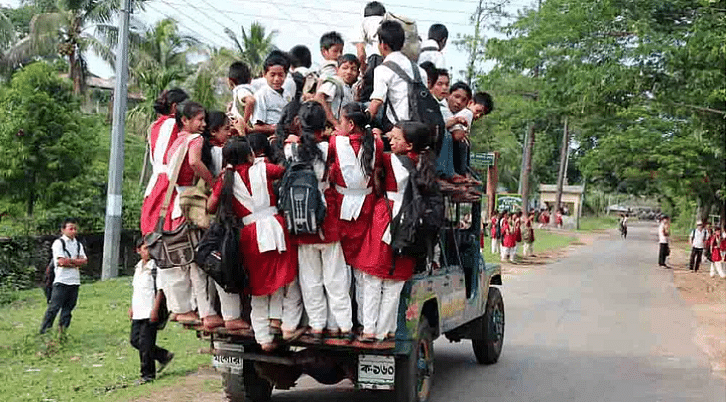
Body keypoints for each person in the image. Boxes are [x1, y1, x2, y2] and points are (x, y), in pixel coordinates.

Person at [208, 136, 300, 351]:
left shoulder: (226, 179)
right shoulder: (263, 169)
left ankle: (263, 337)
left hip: (250, 234)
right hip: (276, 227)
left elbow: (211, 206)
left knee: (257, 286)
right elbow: (283, 171)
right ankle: (277, 319)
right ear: (250, 154)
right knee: (281, 278)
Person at [355, 121, 434, 342]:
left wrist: (377, 136)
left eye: (396, 138)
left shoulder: (391, 160)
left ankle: (369, 329)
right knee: (394, 282)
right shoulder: (425, 163)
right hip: (412, 221)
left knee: (372, 277)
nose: (392, 139)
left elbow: (374, 152)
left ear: (409, 145)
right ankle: (386, 330)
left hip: (388, 216)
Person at [284, 102, 354, 342]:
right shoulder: (329, 148)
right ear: (322, 124)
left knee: (310, 279)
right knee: (335, 277)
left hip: (301, 217)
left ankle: (316, 325)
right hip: (326, 216)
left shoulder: (291, 149)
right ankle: (341, 326)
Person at [156, 101, 222, 329]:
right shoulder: (195, 140)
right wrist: (214, 183)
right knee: (198, 260)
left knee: (182, 259)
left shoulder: (176, 143)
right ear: (185, 120)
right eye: (199, 119)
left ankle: (183, 309)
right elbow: (194, 162)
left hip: (176, 203)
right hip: (191, 202)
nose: (203, 124)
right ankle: (206, 312)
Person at [140, 88, 189, 235]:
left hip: (156, 183)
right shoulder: (176, 124)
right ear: (175, 107)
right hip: (170, 182)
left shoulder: (154, 126)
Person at [367, 20, 429, 133]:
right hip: (421, 130)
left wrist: (361, 124)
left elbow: (376, 103)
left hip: (397, 130)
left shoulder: (383, 69)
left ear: (383, 45)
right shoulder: (420, 71)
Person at [128, 239, 174, 385]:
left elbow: (160, 290)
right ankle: (162, 355)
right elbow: (137, 290)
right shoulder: (138, 268)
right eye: (145, 248)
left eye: (150, 249)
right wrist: (132, 307)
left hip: (149, 310)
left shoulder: (156, 268)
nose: (148, 252)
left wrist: (155, 309)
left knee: (146, 343)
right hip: (138, 309)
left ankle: (147, 374)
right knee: (135, 340)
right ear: (138, 250)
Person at [40, 218, 87, 334]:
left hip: (74, 281)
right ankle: (45, 331)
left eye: (75, 229)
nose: (74, 231)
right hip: (61, 281)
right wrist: (75, 262)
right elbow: (61, 262)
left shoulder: (78, 244)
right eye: (71, 228)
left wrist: (70, 262)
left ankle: (62, 332)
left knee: (68, 309)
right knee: (54, 308)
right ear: (63, 230)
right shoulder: (58, 243)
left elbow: (84, 261)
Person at [252, 52, 295, 135]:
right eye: (272, 75)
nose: (277, 79)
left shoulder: (287, 95)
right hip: (270, 137)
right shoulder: (261, 95)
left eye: (280, 75)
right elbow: (257, 127)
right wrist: (279, 128)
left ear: (285, 75)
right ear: (264, 74)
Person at [313, 54, 359, 129]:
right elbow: (319, 97)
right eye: (345, 68)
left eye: (353, 69)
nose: (349, 72)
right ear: (337, 70)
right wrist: (335, 123)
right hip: (330, 127)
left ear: (358, 73)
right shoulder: (334, 82)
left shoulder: (350, 88)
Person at [352, 1, 386, 70]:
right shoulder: (388, 22)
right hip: (390, 60)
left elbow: (360, 51)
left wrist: (363, 69)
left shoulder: (363, 22)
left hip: (373, 60)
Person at [227, 61, 255, 136]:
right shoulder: (250, 90)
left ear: (230, 81)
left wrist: (244, 124)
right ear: (250, 79)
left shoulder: (241, 90)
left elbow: (250, 101)